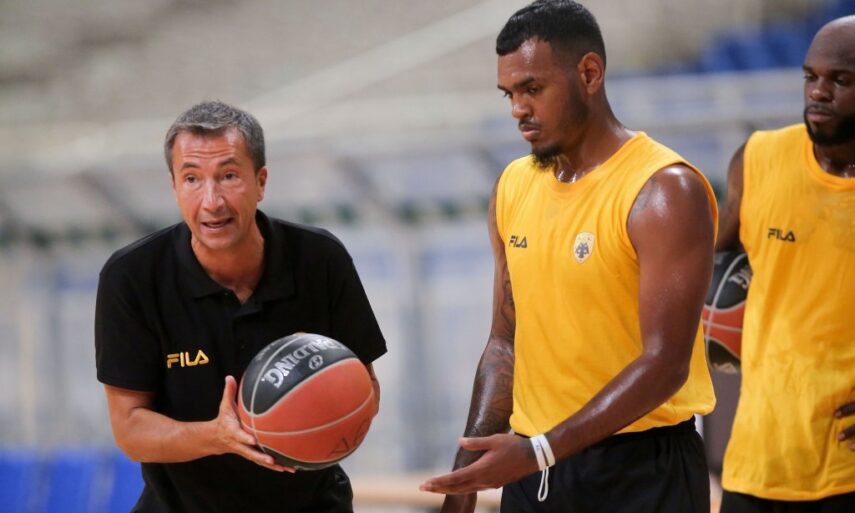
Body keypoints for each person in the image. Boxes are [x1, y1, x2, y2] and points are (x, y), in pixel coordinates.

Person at [420, 1, 717, 512]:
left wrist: (540, 450)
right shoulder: (513, 185)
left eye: (532, 89)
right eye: (509, 94)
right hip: (533, 467)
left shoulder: (663, 190)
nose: (518, 109)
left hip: (643, 470)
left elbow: (665, 363)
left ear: (589, 74)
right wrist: (464, 478)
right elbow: (504, 342)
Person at [94, 100, 386, 513]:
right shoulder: (133, 277)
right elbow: (130, 428)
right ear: (174, 187)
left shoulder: (320, 259)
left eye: (228, 176)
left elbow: (364, 389)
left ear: (261, 181)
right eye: (192, 179)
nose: (212, 201)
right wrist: (218, 436)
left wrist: (322, 416)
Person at [715, 16, 855, 513]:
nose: (819, 91)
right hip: (755, 463)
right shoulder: (758, 158)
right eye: (811, 76)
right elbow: (701, 262)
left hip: (844, 470)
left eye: (841, 79)